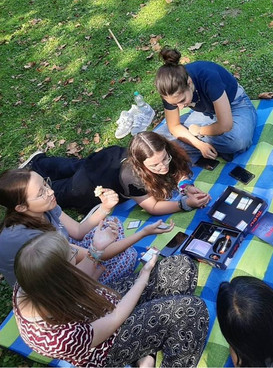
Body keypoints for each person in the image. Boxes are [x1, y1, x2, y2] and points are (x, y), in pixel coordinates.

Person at [13, 232, 209, 367]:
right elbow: (115, 318)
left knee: (180, 265)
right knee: (191, 309)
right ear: (63, 277)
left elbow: (84, 277)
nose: (77, 253)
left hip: (104, 305)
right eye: (72, 254)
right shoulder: (60, 338)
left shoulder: (30, 281)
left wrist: (97, 248)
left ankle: (146, 354)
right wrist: (143, 277)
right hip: (109, 346)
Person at [0, 168, 173, 286]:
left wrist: (105, 207)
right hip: (56, 286)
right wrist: (143, 233)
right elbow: (100, 255)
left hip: (66, 256)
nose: (50, 191)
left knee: (111, 224)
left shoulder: (45, 207)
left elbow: (77, 232)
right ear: (21, 207)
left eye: (45, 184)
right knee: (127, 258)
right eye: (41, 193)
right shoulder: (31, 238)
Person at [25, 131, 210, 215]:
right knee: (62, 190)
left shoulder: (162, 151)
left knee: (75, 166)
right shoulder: (132, 176)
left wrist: (186, 186)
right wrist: (184, 204)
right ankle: (28, 180)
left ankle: (38, 161)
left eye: (165, 159)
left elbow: (177, 171)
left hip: (105, 159)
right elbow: (152, 207)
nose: (163, 167)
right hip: (91, 183)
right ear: (139, 162)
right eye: (155, 165)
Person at [154, 48, 257, 163]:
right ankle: (215, 148)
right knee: (157, 139)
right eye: (174, 104)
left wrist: (199, 130)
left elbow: (225, 125)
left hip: (236, 105)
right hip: (205, 113)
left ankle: (179, 150)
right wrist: (200, 145)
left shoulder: (207, 76)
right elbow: (174, 126)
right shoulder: (168, 89)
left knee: (237, 141)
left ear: (189, 83)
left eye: (182, 100)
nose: (180, 107)